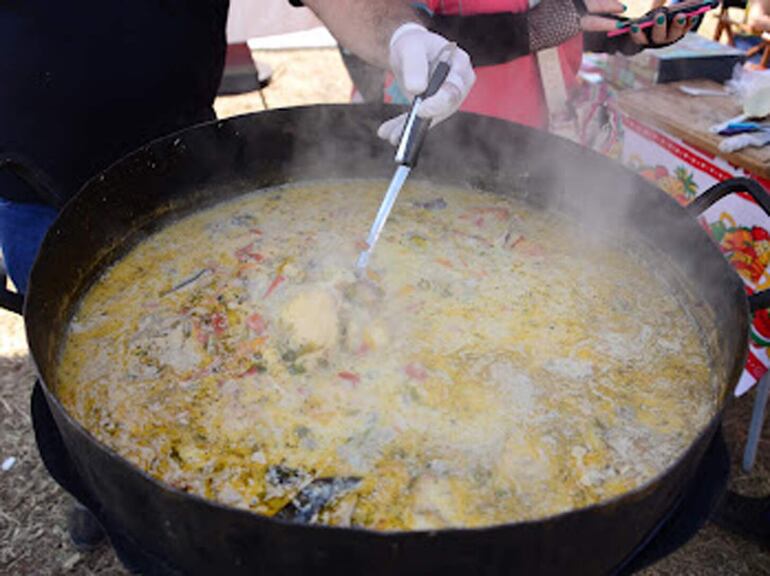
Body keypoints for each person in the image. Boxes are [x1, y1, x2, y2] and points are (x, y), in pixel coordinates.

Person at [0, 0, 475, 567]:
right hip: (28, 184)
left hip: (187, 162)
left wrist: (398, 31)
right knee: (74, 374)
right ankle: (102, 477)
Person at [377, 0, 694, 143]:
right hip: (444, 129)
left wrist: (631, 35)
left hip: (542, 132)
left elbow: (572, 23)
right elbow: (399, 31)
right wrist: (529, 29)